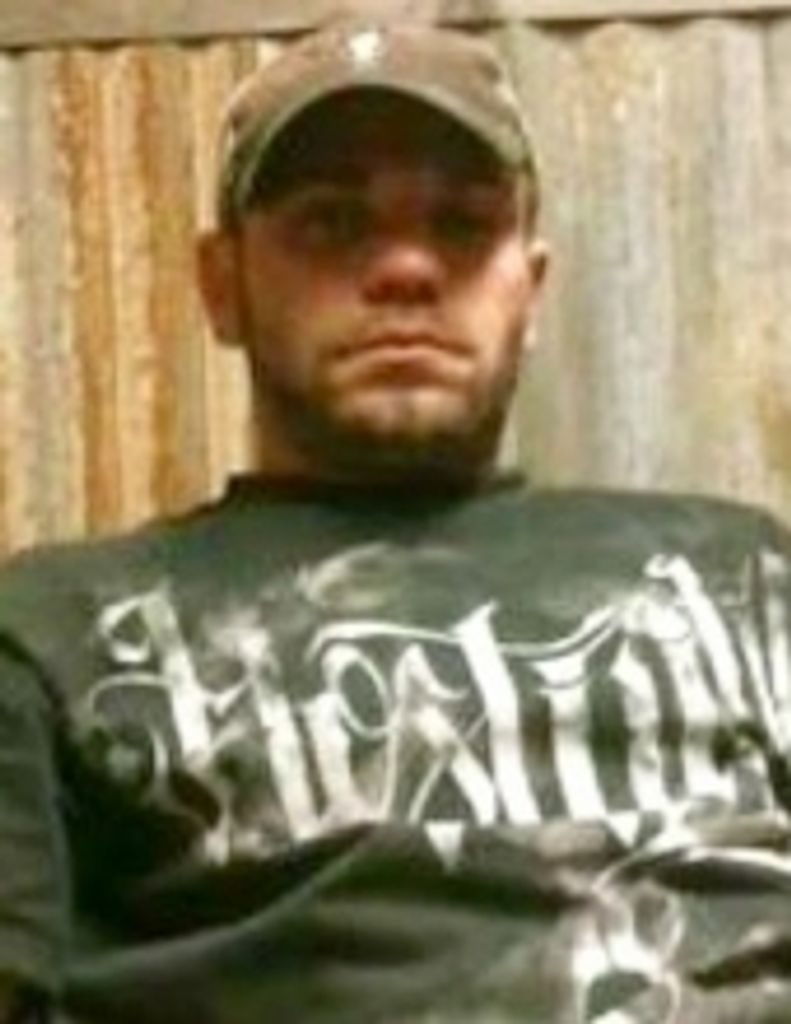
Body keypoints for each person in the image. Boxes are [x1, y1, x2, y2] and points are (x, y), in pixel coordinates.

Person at [3, 19, 791, 1024]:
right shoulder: (51, 626)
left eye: (462, 224)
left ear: (529, 289)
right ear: (222, 285)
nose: (407, 269)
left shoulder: (743, 572)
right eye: (331, 223)